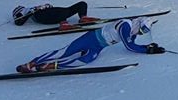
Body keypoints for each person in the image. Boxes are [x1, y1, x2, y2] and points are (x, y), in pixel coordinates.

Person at [15, 17, 164, 73]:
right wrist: (147, 50)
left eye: (144, 32)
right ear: (139, 23)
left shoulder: (132, 31)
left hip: (98, 46)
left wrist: (148, 47)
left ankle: (49, 67)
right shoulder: (126, 25)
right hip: (91, 38)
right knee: (64, 52)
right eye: (142, 29)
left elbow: (132, 43)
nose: (141, 33)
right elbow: (130, 47)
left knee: (85, 60)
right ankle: (31, 63)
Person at [13, 2, 99, 30]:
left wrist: (47, 6)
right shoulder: (24, 11)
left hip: (53, 13)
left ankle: (83, 17)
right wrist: (32, 11)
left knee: (82, 4)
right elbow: (19, 22)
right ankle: (63, 23)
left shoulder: (30, 8)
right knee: (60, 11)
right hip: (41, 16)